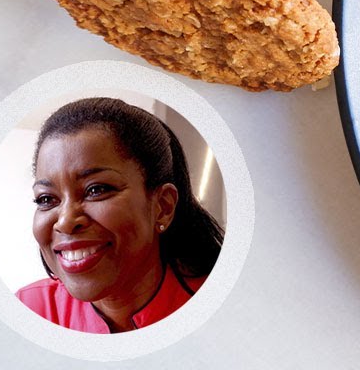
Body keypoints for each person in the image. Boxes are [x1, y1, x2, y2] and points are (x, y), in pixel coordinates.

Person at [16, 97, 224, 333]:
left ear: (163, 207)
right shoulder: (29, 311)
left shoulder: (226, 308)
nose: (65, 222)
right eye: (46, 199)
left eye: (96, 190)